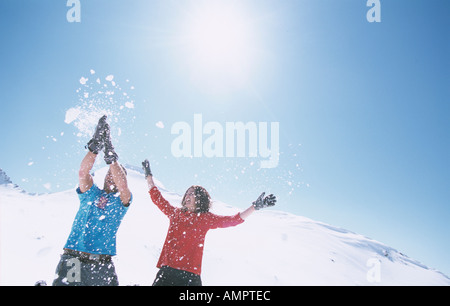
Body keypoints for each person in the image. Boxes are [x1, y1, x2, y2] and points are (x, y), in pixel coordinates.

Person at [141, 159, 276, 286]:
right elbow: (156, 197)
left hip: (190, 276)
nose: (187, 196)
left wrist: (254, 207)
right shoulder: (175, 214)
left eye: (192, 194)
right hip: (168, 271)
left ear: (200, 198)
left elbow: (233, 220)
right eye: (187, 193)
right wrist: (148, 176)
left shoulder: (205, 219)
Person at [52, 115, 132, 286]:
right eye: (109, 173)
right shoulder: (91, 193)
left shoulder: (121, 202)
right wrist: (95, 148)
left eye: (116, 175)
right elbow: (83, 173)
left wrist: (110, 154)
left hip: (101, 265)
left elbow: (123, 186)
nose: (112, 176)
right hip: (74, 259)